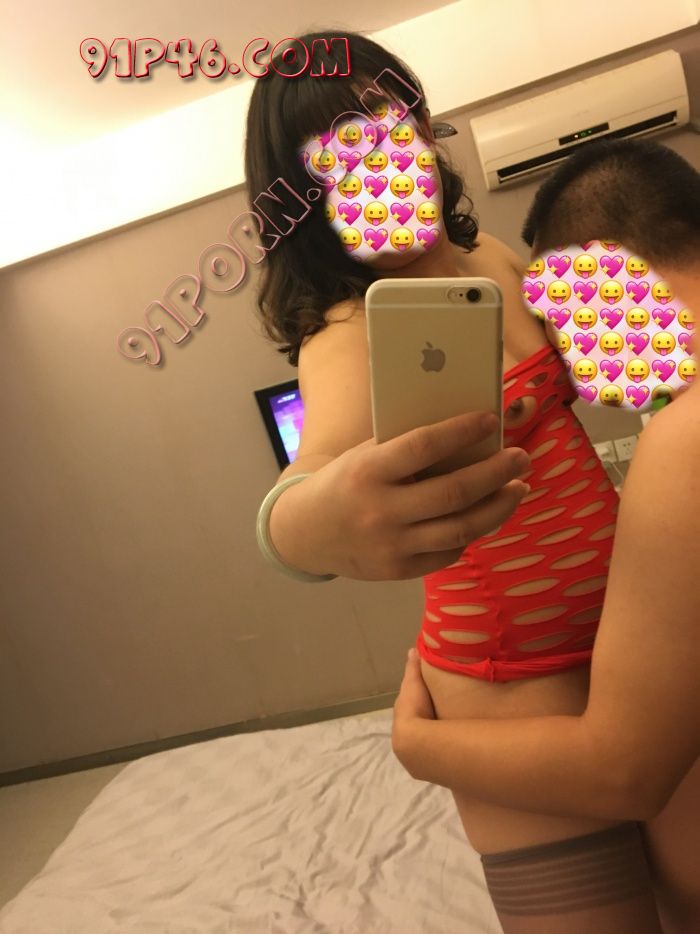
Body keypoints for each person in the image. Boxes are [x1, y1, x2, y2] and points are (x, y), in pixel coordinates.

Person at [248, 34, 665, 932]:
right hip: (505, 679)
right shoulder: (345, 338)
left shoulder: (500, 262)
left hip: (634, 633)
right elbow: (304, 489)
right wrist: (302, 528)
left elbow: (641, 376)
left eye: (391, 128)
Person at [391, 137, 700, 934]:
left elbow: (625, 773)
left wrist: (418, 747)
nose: (584, 379)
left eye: (566, 330)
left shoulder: (686, 440)